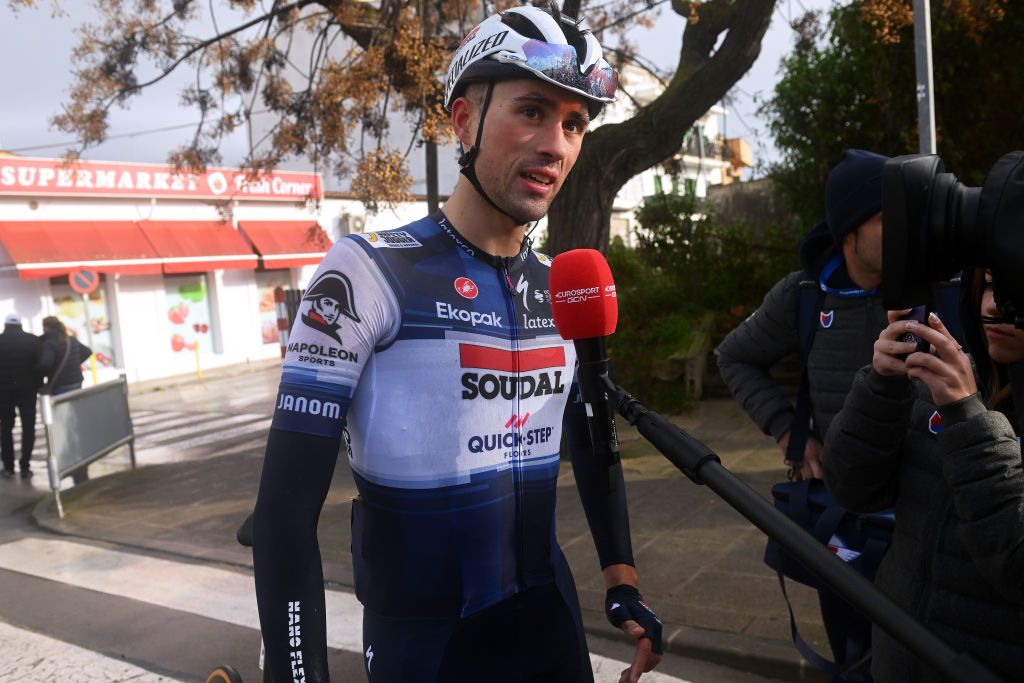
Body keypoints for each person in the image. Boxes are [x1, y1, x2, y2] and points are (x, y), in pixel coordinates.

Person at [252, 6, 662, 683]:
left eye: (573, 124)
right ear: (464, 119)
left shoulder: (557, 283)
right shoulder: (367, 272)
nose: (556, 145)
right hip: (426, 645)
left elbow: (586, 435)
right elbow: (284, 514)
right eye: (531, 111)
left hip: (549, 627)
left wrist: (621, 579)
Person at [822, 267, 1024, 682]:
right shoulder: (955, 374)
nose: (992, 305)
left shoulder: (959, 396)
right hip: (897, 657)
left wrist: (968, 418)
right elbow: (851, 489)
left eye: (1014, 289)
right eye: (987, 284)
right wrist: (882, 386)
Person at [715, 149, 892, 482]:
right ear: (848, 231)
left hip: (923, 508)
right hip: (837, 499)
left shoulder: (936, 291)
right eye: (886, 219)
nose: (903, 229)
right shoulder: (803, 294)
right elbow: (734, 356)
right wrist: (787, 430)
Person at [0, 313, 41, 479]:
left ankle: (8, 467)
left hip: (3, 392)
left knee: (5, 429)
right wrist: (39, 384)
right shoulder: (33, 340)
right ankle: (25, 467)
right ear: (20, 325)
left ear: (5, 325)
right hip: (28, 391)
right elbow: (41, 364)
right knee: (28, 428)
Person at [38, 316, 93, 396]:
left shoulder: (49, 343)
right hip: (76, 381)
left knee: (62, 407)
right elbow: (87, 352)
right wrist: (74, 363)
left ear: (45, 327)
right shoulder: (71, 339)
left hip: (60, 383)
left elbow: (45, 364)